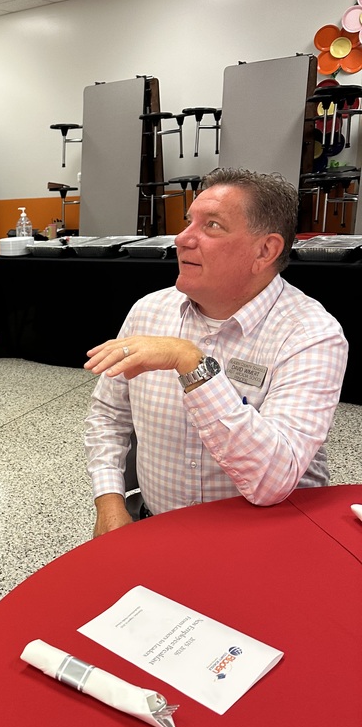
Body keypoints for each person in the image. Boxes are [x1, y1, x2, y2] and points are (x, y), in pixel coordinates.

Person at [84, 167, 348, 538]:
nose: (182, 238)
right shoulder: (148, 312)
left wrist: (192, 364)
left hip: (270, 539)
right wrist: (109, 501)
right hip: (157, 527)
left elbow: (272, 480)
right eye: (189, 222)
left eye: (212, 226)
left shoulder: (311, 335)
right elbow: (109, 415)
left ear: (265, 250)